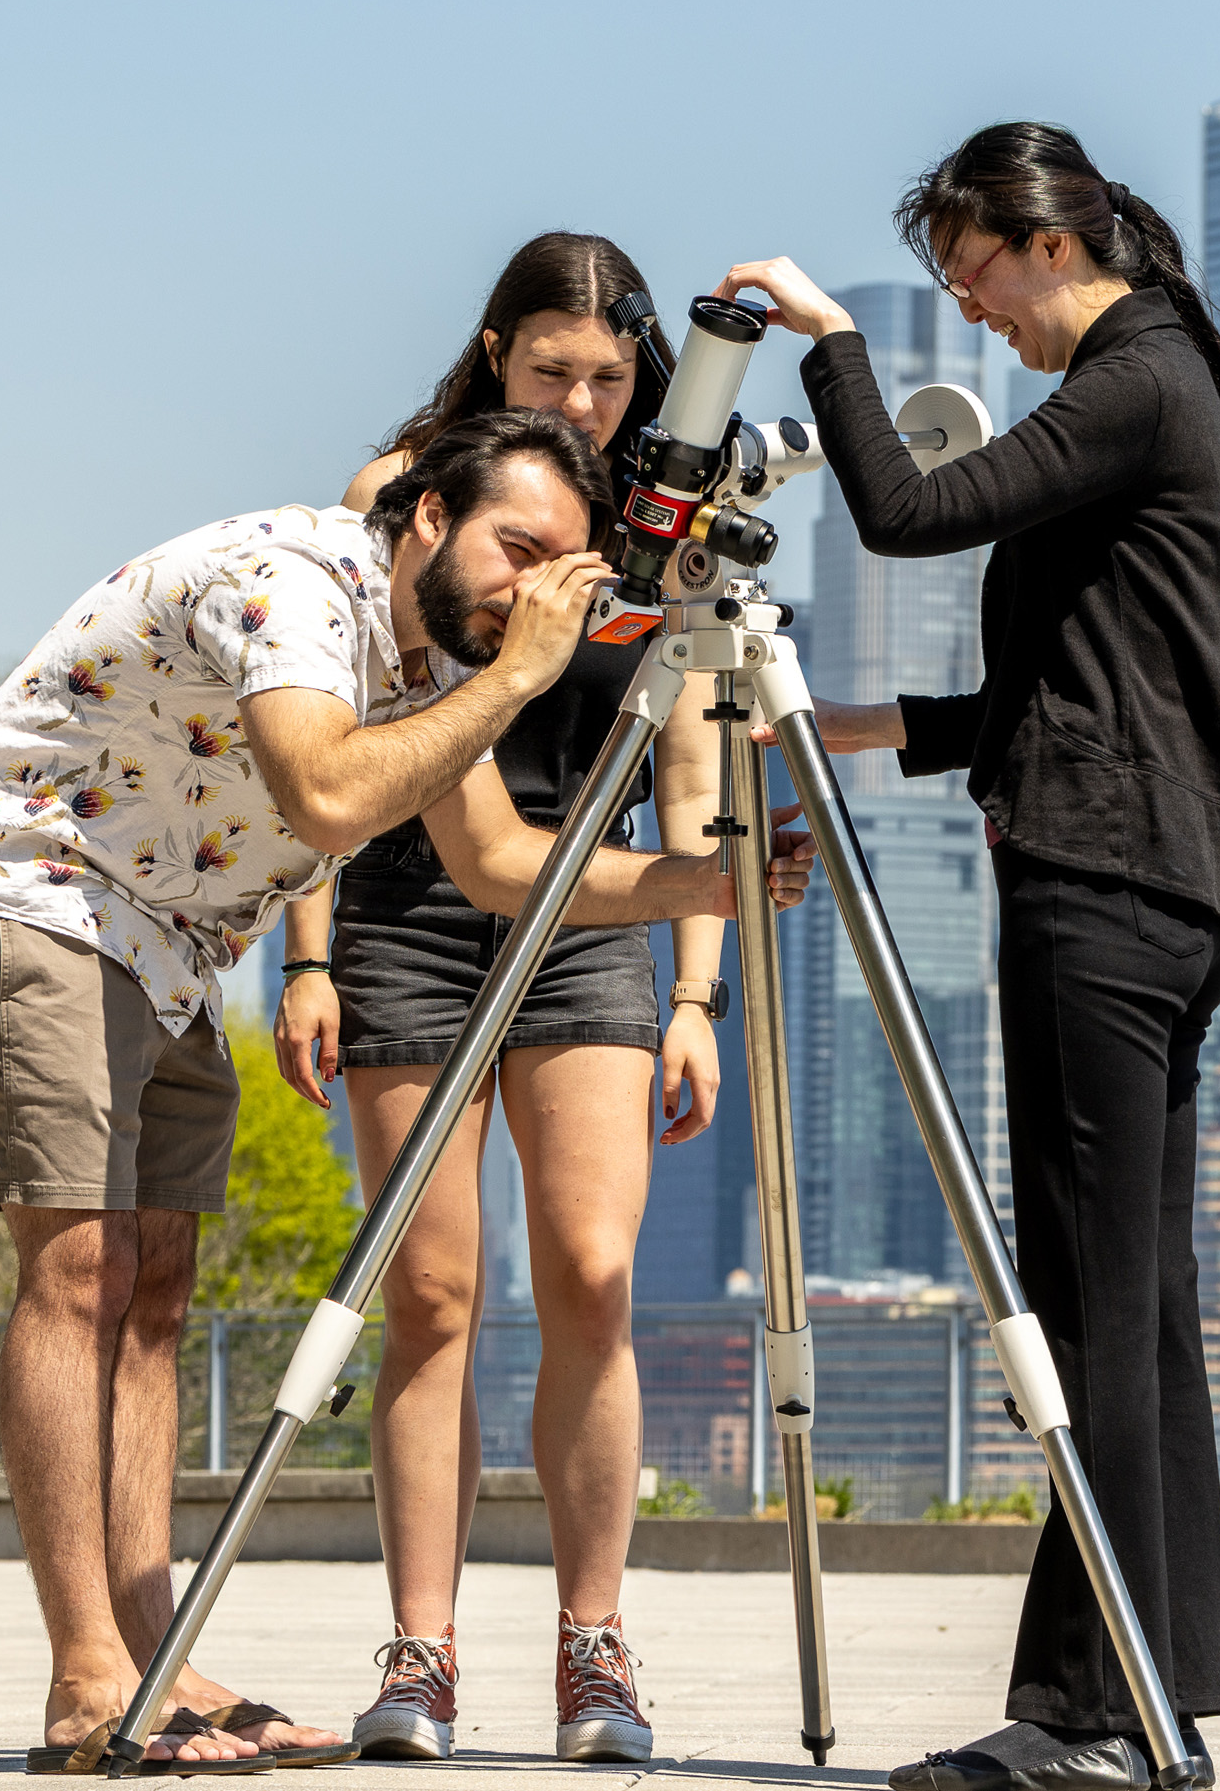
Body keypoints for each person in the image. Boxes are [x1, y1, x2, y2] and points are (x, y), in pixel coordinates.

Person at [0, 408, 794, 1777]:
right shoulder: (301, 586)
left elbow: (498, 863)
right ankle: (88, 1679)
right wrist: (513, 679)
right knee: (80, 1266)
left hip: (172, 934)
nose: (538, 586)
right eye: (518, 547)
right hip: (32, 885)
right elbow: (323, 798)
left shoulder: (430, 656)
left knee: (153, 1287)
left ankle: (156, 1657)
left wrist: (704, 887)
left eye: (567, 563)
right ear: (427, 515)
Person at [715, 124, 1220, 1791]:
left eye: (970, 275)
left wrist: (836, 340)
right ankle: (1151, 1691)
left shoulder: (1134, 374)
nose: (976, 314)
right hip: (1167, 879)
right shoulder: (1171, 385)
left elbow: (901, 512)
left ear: (1043, 237)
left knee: (1087, 1315)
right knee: (1137, 1309)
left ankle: (1088, 1718)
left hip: (1103, 889)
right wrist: (889, 726)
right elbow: (1102, 678)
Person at [267, 233, 782, 1766]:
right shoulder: (404, 493)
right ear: (496, 353)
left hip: (594, 907)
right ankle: (419, 1651)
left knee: (592, 1272)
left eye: (612, 376)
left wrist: (701, 988)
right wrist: (304, 954)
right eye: (553, 369)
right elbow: (323, 737)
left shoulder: (659, 514)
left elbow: (694, 747)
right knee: (426, 1294)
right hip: (415, 908)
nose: (584, 395)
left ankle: (595, 1648)